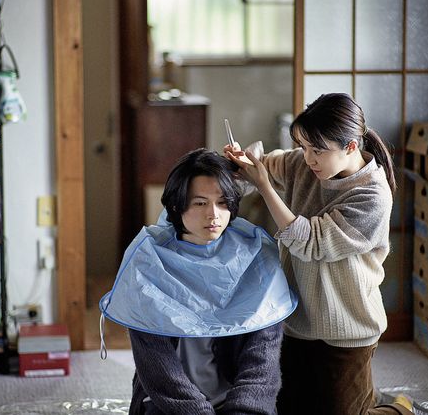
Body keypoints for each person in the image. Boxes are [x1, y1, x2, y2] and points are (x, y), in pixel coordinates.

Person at [225, 93, 412, 415]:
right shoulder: (304, 163)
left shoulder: (372, 196)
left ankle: (400, 409)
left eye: (318, 150)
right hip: (296, 319)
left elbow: (309, 243)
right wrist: (244, 162)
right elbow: (264, 166)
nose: (308, 159)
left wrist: (266, 187)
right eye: (303, 147)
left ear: (351, 146)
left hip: (347, 327)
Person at [99, 148, 297, 414]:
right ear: (176, 206)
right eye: (200, 203)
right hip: (170, 404)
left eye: (223, 202)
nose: (213, 215)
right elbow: (160, 372)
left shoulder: (258, 258)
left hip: (237, 403)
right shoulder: (147, 263)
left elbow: (261, 366)